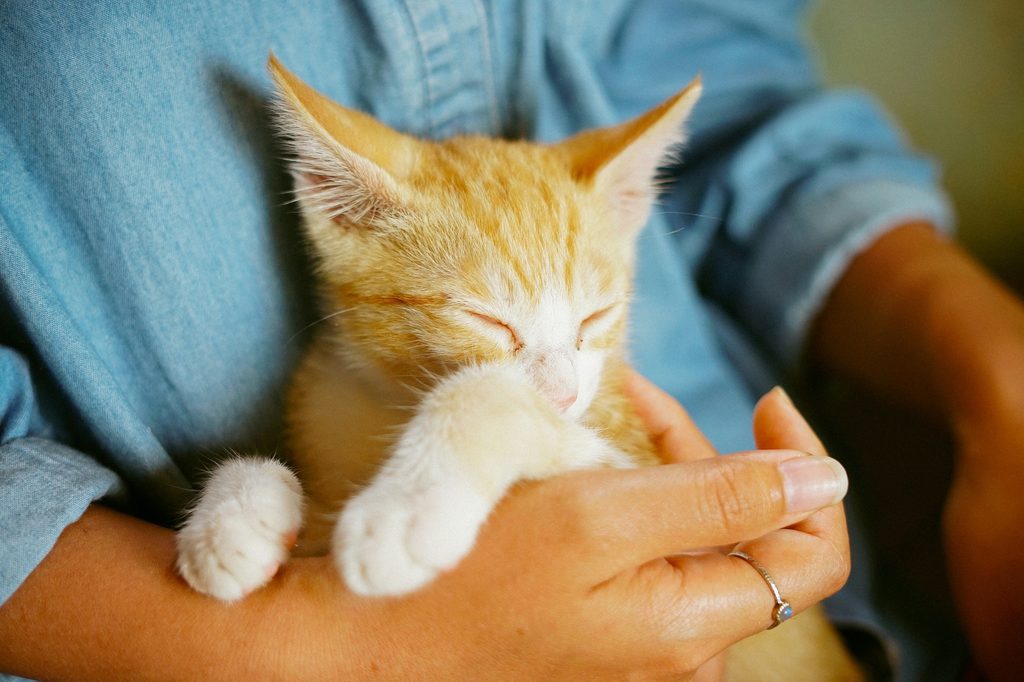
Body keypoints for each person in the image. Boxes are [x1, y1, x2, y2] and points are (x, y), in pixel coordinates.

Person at [0, 1, 1020, 679]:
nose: (565, 380)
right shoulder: (334, 357)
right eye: (491, 323)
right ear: (341, 213)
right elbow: (356, 570)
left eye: (591, 326)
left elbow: (733, 96)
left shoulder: (565, 345)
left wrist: (999, 378)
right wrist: (282, 610)